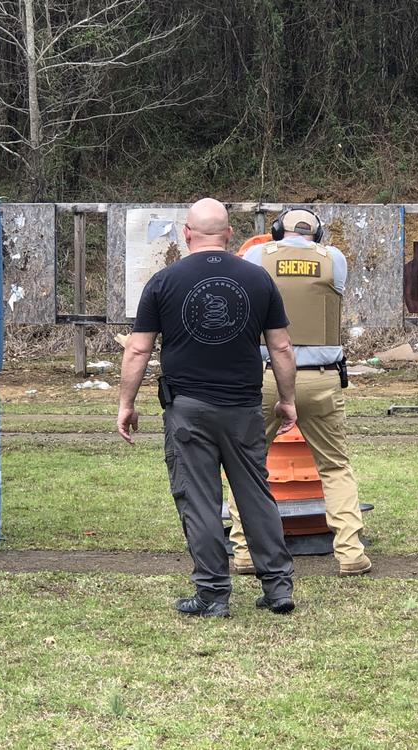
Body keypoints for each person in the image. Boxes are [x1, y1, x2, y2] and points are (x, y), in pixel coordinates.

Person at [117, 198, 299, 617]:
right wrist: (287, 400)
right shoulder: (258, 280)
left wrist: (126, 403)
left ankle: (213, 594)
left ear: (186, 234)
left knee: (199, 500)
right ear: (229, 234)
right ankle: (277, 589)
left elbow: (138, 350)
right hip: (244, 408)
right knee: (255, 495)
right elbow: (282, 347)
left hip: (188, 409)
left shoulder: (163, 282)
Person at [227, 208, 372, 577]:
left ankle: (244, 551)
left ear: (277, 230)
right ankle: (350, 552)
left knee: (247, 466)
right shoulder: (333, 259)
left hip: (263, 375)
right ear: (318, 233)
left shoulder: (259, 256)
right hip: (320, 378)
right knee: (335, 466)